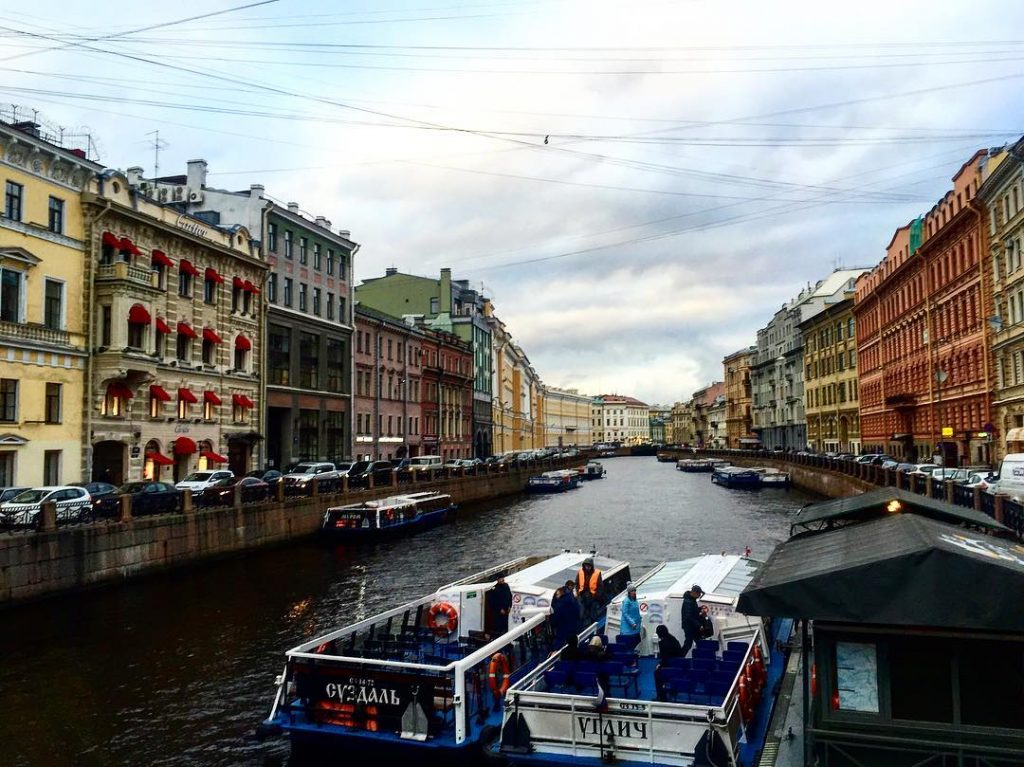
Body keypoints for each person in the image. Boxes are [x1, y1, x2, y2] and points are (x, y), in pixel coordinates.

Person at [550, 586, 580, 652]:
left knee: (558, 649)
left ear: (560, 594)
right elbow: (578, 614)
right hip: (574, 629)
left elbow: (554, 621)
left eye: (557, 595)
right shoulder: (574, 600)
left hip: (562, 632)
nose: (556, 596)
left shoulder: (559, 605)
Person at [576, 557, 604, 624]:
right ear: (584, 565)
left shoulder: (597, 573)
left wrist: (596, 595)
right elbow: (576, 583)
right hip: (582, 595)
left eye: (589, 566)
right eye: (586, 566)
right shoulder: (580, 572)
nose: (587, 567)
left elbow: (600, 586)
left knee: (593, 613)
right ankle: (581, 625)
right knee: (581, 612)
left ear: (592, 566)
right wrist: (578, 592)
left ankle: (592, 624)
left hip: (592, 596)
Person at [680, 583, 704, 658]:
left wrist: (699, 609)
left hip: (691, 626)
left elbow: (692, 611)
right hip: (689, 627)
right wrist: (698, 625)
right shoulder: (688, 602)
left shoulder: (691, 600)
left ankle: (699, 658)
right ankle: (680, 657)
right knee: (689, 643)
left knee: (695, 642)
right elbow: (689, 616)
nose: (699, 596)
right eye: (698, 594)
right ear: (694, 593)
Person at [487, 572, 513, 638]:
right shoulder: (494, 589)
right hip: (498, 613)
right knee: (499, 626)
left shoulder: (506, 586)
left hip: (506, 610)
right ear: (497, 580)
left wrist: (510, 606)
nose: (502, 579)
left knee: (506, 626)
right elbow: (492, 602)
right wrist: (499, 609)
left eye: (503, 578)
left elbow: (510, 596)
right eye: (501, 578)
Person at [618, 582, 642, 650]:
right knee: (630, 645)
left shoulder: (635, 600)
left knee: (637, 642)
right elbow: (625, 613)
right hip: (628, 628)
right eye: (632, 591)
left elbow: (636, 611)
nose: (634, 592)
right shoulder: (626, 601)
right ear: (629, 592)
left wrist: (639, 618)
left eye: (635, 590)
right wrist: (632, 623)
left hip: (636, 627)